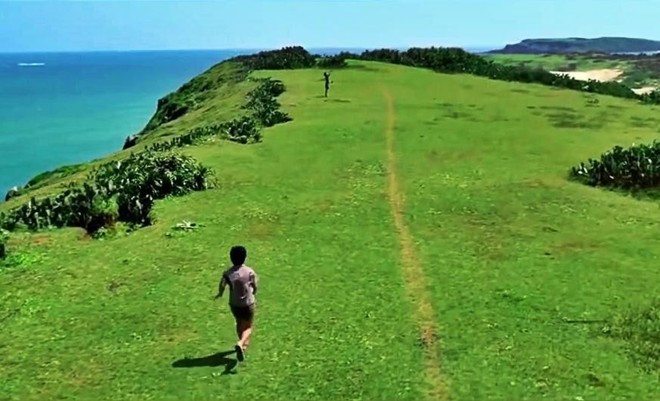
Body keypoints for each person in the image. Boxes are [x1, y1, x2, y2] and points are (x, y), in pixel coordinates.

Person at [215, 245, 258, 362]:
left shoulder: (228, 273)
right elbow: (254, 285)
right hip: (248, 303)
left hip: (234, 304)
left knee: (239, 322)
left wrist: (220, 293)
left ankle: (242, 347)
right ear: (245, 257)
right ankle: (241, 343)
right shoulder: (249, 271)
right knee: (248, 326)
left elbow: (222, 285)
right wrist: (254, 291)